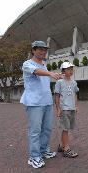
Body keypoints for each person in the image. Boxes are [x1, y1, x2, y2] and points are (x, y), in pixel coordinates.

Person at [20, 40, 62, 169]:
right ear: (33, 50)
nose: (43, 52)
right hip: (34, 103)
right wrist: (51, 73)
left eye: (45, 50)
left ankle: (43, 151)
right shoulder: (27, 64)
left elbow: (43, 76)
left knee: (47, 129)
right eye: (40, 49)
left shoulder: (44, 65)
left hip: (46, 101)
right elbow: (36, 71)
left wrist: (55, 75)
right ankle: (34, 157)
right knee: (35, 131)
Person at [54, 61, 79, 158]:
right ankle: (66, 149)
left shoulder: (74, 82)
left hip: (72, 109)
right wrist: (58, 109)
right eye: (68, 69)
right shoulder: (59, 82)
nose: (71, 71)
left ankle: (61, 145)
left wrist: (76, 106)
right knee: (65, 129)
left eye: (71, 69)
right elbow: (57, 96)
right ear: (63, 71)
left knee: (66, 128)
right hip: (64, 109)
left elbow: (75, 94)